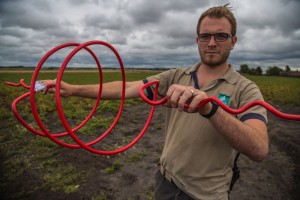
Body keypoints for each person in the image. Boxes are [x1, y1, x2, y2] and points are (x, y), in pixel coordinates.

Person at [42, 4, 268, 200]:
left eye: (221, 36)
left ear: (233, 41)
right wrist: (73, 89)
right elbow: (129, 87)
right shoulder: (176, 76)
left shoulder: (245, 89)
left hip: (205, 194)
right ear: (197, 40)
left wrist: (210, 109)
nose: (211, 43)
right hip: (165, 183)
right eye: (205, 36)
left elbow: (258, 148)